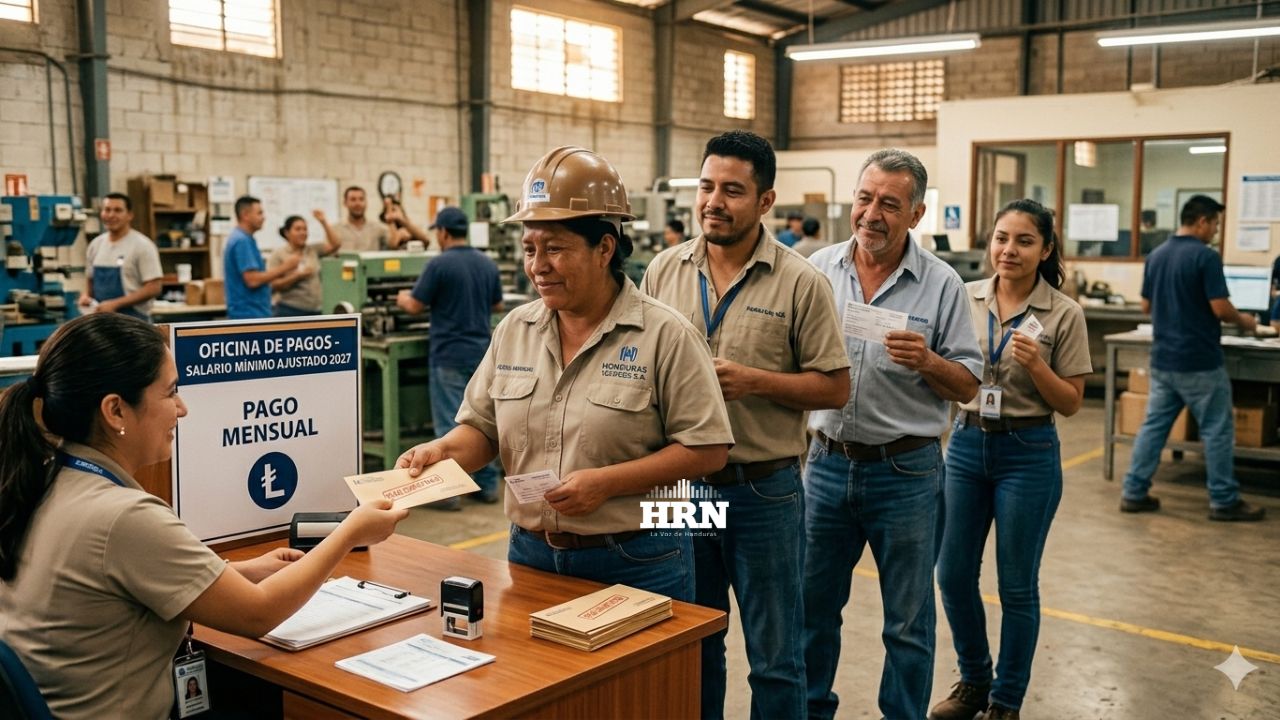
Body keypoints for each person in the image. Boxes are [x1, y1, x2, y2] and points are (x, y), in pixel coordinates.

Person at [0, 313, 406, 720]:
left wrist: (234, 571)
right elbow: (257, 614)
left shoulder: (45, 478)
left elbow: (116, 581)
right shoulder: (122, 517)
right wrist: (351, 531)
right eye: (170, 392)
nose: (182, 409)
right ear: (116, 411)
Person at [396, 146, 732, 601]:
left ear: (604, 248)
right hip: (531, 551)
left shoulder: (665, 335)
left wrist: (605, 484)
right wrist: (440, 453)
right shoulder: (516, 329)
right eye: (530, 248)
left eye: (555, 249)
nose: (538, 266)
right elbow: (483, 430)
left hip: (638, 556)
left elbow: (707, 450)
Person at [641, 130, 850, 720]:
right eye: (707, 186)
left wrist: (753, 380)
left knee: (776, 655)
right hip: (681, 488)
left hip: (764, 489)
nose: (714, 201)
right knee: (691, 641)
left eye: (733, 190)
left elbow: (835, 386)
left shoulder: (800, 281)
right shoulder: (663, 271)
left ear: (764, 201)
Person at [803, 148, 983, 720]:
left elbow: (969, 385)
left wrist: (929, 360)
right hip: (824, 465)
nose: (872, 214)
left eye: (889, 203)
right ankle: (810, 710)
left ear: (916, 213)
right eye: (864, 198)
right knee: (812, 609)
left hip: (906, 472)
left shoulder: (942, 285)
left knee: (907, 621)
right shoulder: (816, 271)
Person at [929, 199, 1091, 720]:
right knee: (952, 574)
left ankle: (1007, 700)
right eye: (1001, 238)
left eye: (1024, 241)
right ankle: (975, 681)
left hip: (1029, 452)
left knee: (1016, 584)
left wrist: (1038, 366)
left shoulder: (1063, 312)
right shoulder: (964, 296)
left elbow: (1069, 402)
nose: (1009, 250)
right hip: (967, 444)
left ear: (1045, 249)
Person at [1120, 195, 1264, 521]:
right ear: (1201, 221)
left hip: (1164, 360)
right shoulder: (1205, 257)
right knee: (1216, 430)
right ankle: (1224, 500)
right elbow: (1220, 308)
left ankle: (1133, 492)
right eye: (1214, 224)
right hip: (1199, 361)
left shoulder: (1156, 255)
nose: (1214, 230)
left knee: (1154, 428)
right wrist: (1249, 323)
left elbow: (1146, 307)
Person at [396, 206, 504, 507]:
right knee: (483, 425)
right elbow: (497, 305)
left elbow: (416, 306)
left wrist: (401, 298)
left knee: (450, 427)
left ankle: (449, 495)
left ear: (442, 232)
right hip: (481, 352)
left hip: (449, 353)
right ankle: (487, 488)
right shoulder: (486, 263)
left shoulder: (439, 265)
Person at [78, 192, 163, 321]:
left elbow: (154, 287)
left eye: (118, 210)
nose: (111, 215)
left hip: (134, 321)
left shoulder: (142, 245)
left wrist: (116, 303)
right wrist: (85, 296)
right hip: (101, 319)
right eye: (107, 210)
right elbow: (90, 279)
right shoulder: (95, 245)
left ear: (129, 215)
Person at [223, 196, 301, 319]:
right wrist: (286, 267)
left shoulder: (246, 239)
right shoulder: (242, 241)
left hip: (255, 312)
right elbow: (253, 280)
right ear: (245, 215)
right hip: (249, 315)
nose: (263, 217)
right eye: (259, 213)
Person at [268, 213, 339, 317]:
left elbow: (336, 244)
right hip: (290, 310)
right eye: (298, 229)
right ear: (287, 233)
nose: (303, 233)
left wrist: (323, 222)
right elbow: (272, 285)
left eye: (305, 229)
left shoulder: (312, 250)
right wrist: (297, 276)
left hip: (316, 310)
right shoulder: (278, 254)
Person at [321, 186, 389, 252]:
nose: (358, 203)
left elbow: (394, 244)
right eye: (353, 199)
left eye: (361, 199)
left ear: (366, 203)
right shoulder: (335, 230)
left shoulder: (379, 229)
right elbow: (327, 253)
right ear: (345, 203)